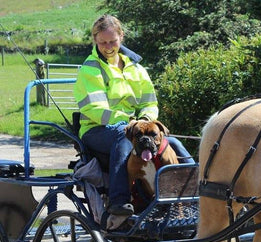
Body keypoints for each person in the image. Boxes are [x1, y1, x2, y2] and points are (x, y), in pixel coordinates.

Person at [74, 14, 194, 220]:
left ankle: (195, 188)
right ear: (95, 40)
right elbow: (94, 108)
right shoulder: (89, 69)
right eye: (103, 42)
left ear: (121, 36)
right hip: (97, 129)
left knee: (171, 142)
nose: (108, 47)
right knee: (124, 140)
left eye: (113, 41)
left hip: (134, 127)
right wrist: (127, 122)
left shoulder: (136, 67)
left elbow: (149, 102)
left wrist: (146, 119)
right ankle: (119, 200)